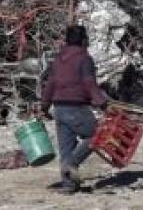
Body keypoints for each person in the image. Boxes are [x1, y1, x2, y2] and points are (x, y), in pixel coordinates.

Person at [40, 24, 108, 194]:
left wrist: (44, 106)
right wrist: (102, 103)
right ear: (84, 41)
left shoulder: (58, 59)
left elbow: (50, 84)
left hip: (59, 109)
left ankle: (69, 185)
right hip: (76, 107)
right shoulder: (84, 59)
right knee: (97, 135)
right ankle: (72, 164)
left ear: (67, 41)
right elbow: (88, 83)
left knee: (66, 148)